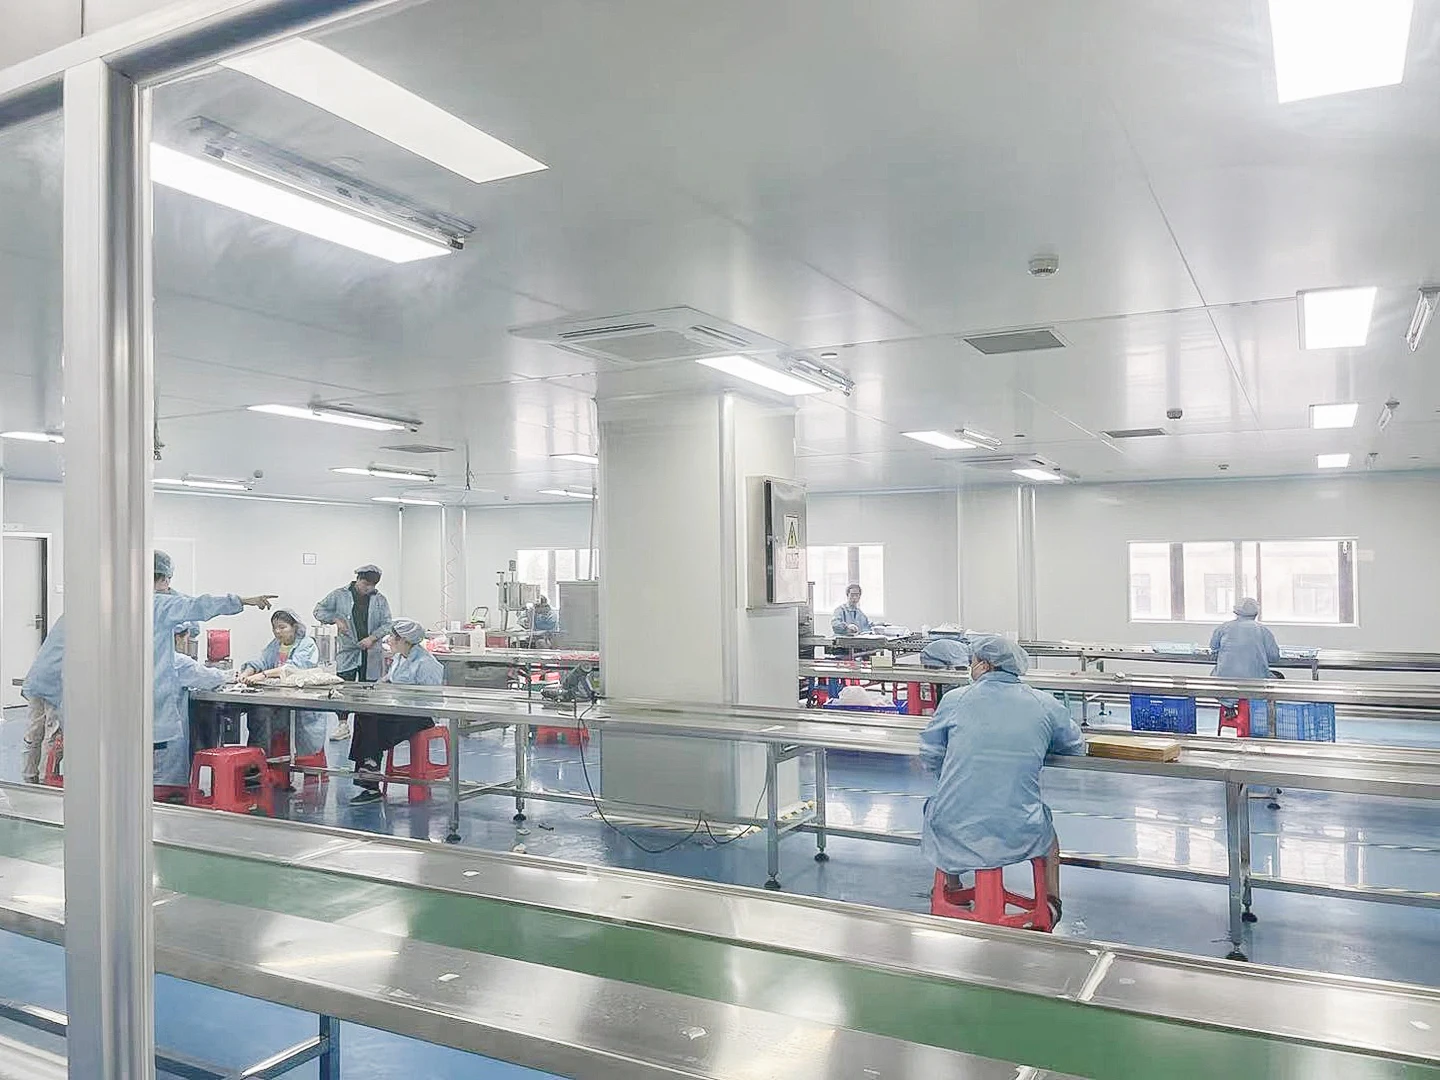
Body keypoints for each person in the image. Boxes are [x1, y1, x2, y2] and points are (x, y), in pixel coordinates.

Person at [918, 635, 1085, 925]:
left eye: (972, 661)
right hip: (1018, 827)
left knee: (937, 807)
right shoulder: (1044, 703)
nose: (970, 667)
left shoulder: (956, 699)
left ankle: (952, 888)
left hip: (955, 825)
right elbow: (1074, 746)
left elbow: (931, 753)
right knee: (1047, 831)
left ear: (985, 665)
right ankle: (1051, 903)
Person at [153, 549, 277, 785]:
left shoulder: (121, 603)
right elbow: (199, 606)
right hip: (158, 725)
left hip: (126, 718)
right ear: (164, 578)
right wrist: (242, 600)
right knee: (161, 775)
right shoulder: (159, 607)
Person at [348, 618, 443, 805]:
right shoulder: (400, 658)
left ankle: (370, 772)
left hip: (420, 716)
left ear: (405, 640)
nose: (389, 640)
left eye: (393, 637)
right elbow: (389, 680)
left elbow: (431, 698)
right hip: (400, 710)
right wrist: (374, 689)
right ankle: (369, 766)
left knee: (374, 720)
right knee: (364, 713)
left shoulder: (426, 663)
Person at [314, 564, 393, 742]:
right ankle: (343, 724)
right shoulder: (339, 595)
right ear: (357, 579)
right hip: (348, 649)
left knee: (368, 688)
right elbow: (318, 610)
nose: (368, 588)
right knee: (343, 686)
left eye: (372, 585)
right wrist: (335, 619)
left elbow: (388, 624)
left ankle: (366, 728)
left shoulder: (380, 600)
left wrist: (372, 638)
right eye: (365, 584)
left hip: (371, 651)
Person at [238, 609, 330, 762]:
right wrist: (247, 672)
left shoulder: (307, 644)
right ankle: (258, 760)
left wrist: (263, 675)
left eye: (282, 627)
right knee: (257, 711)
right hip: (279, 700)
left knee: (263, 714)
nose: (277, 632)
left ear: (295, 627)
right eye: (274, 628)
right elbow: (261, 661)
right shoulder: (275, 645)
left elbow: (292, 668)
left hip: (300, 703)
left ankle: (261, 761)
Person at [158, 626, 230, 800]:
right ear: (178, 638)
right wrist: (232, 674)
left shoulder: (146, 658)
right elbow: (210, 678)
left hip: (146, 731)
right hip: (168, 736)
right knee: (167, 777)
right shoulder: (179, 662)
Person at [20, 619, 66, 784]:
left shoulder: (66, 619)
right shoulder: (86, 622)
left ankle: (28, 776)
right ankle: (45, 781)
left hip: (36, 679)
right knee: (52, 734)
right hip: (54, 682)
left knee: (33, 731)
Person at [1209, 598, 1281, 680]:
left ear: (1236, 612)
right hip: (1256, 680)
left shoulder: (1223, 628)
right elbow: (1274, 657)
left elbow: (1213, 647)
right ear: (1256, 613)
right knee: (1278, 677)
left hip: (1223, 679)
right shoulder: (1262, 630)